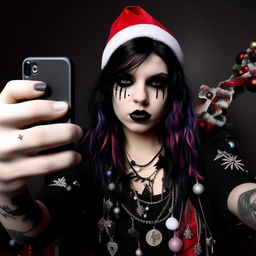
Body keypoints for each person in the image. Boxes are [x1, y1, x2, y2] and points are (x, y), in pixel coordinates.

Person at [0, 6, 255, 256]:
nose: (140, 98)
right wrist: (7, 191)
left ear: (173, 92)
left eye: (156, 83)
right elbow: (33, 228)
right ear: (108, 88)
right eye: (125, 80)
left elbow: (240, 191)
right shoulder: (87, 156)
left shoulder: (203, 146)